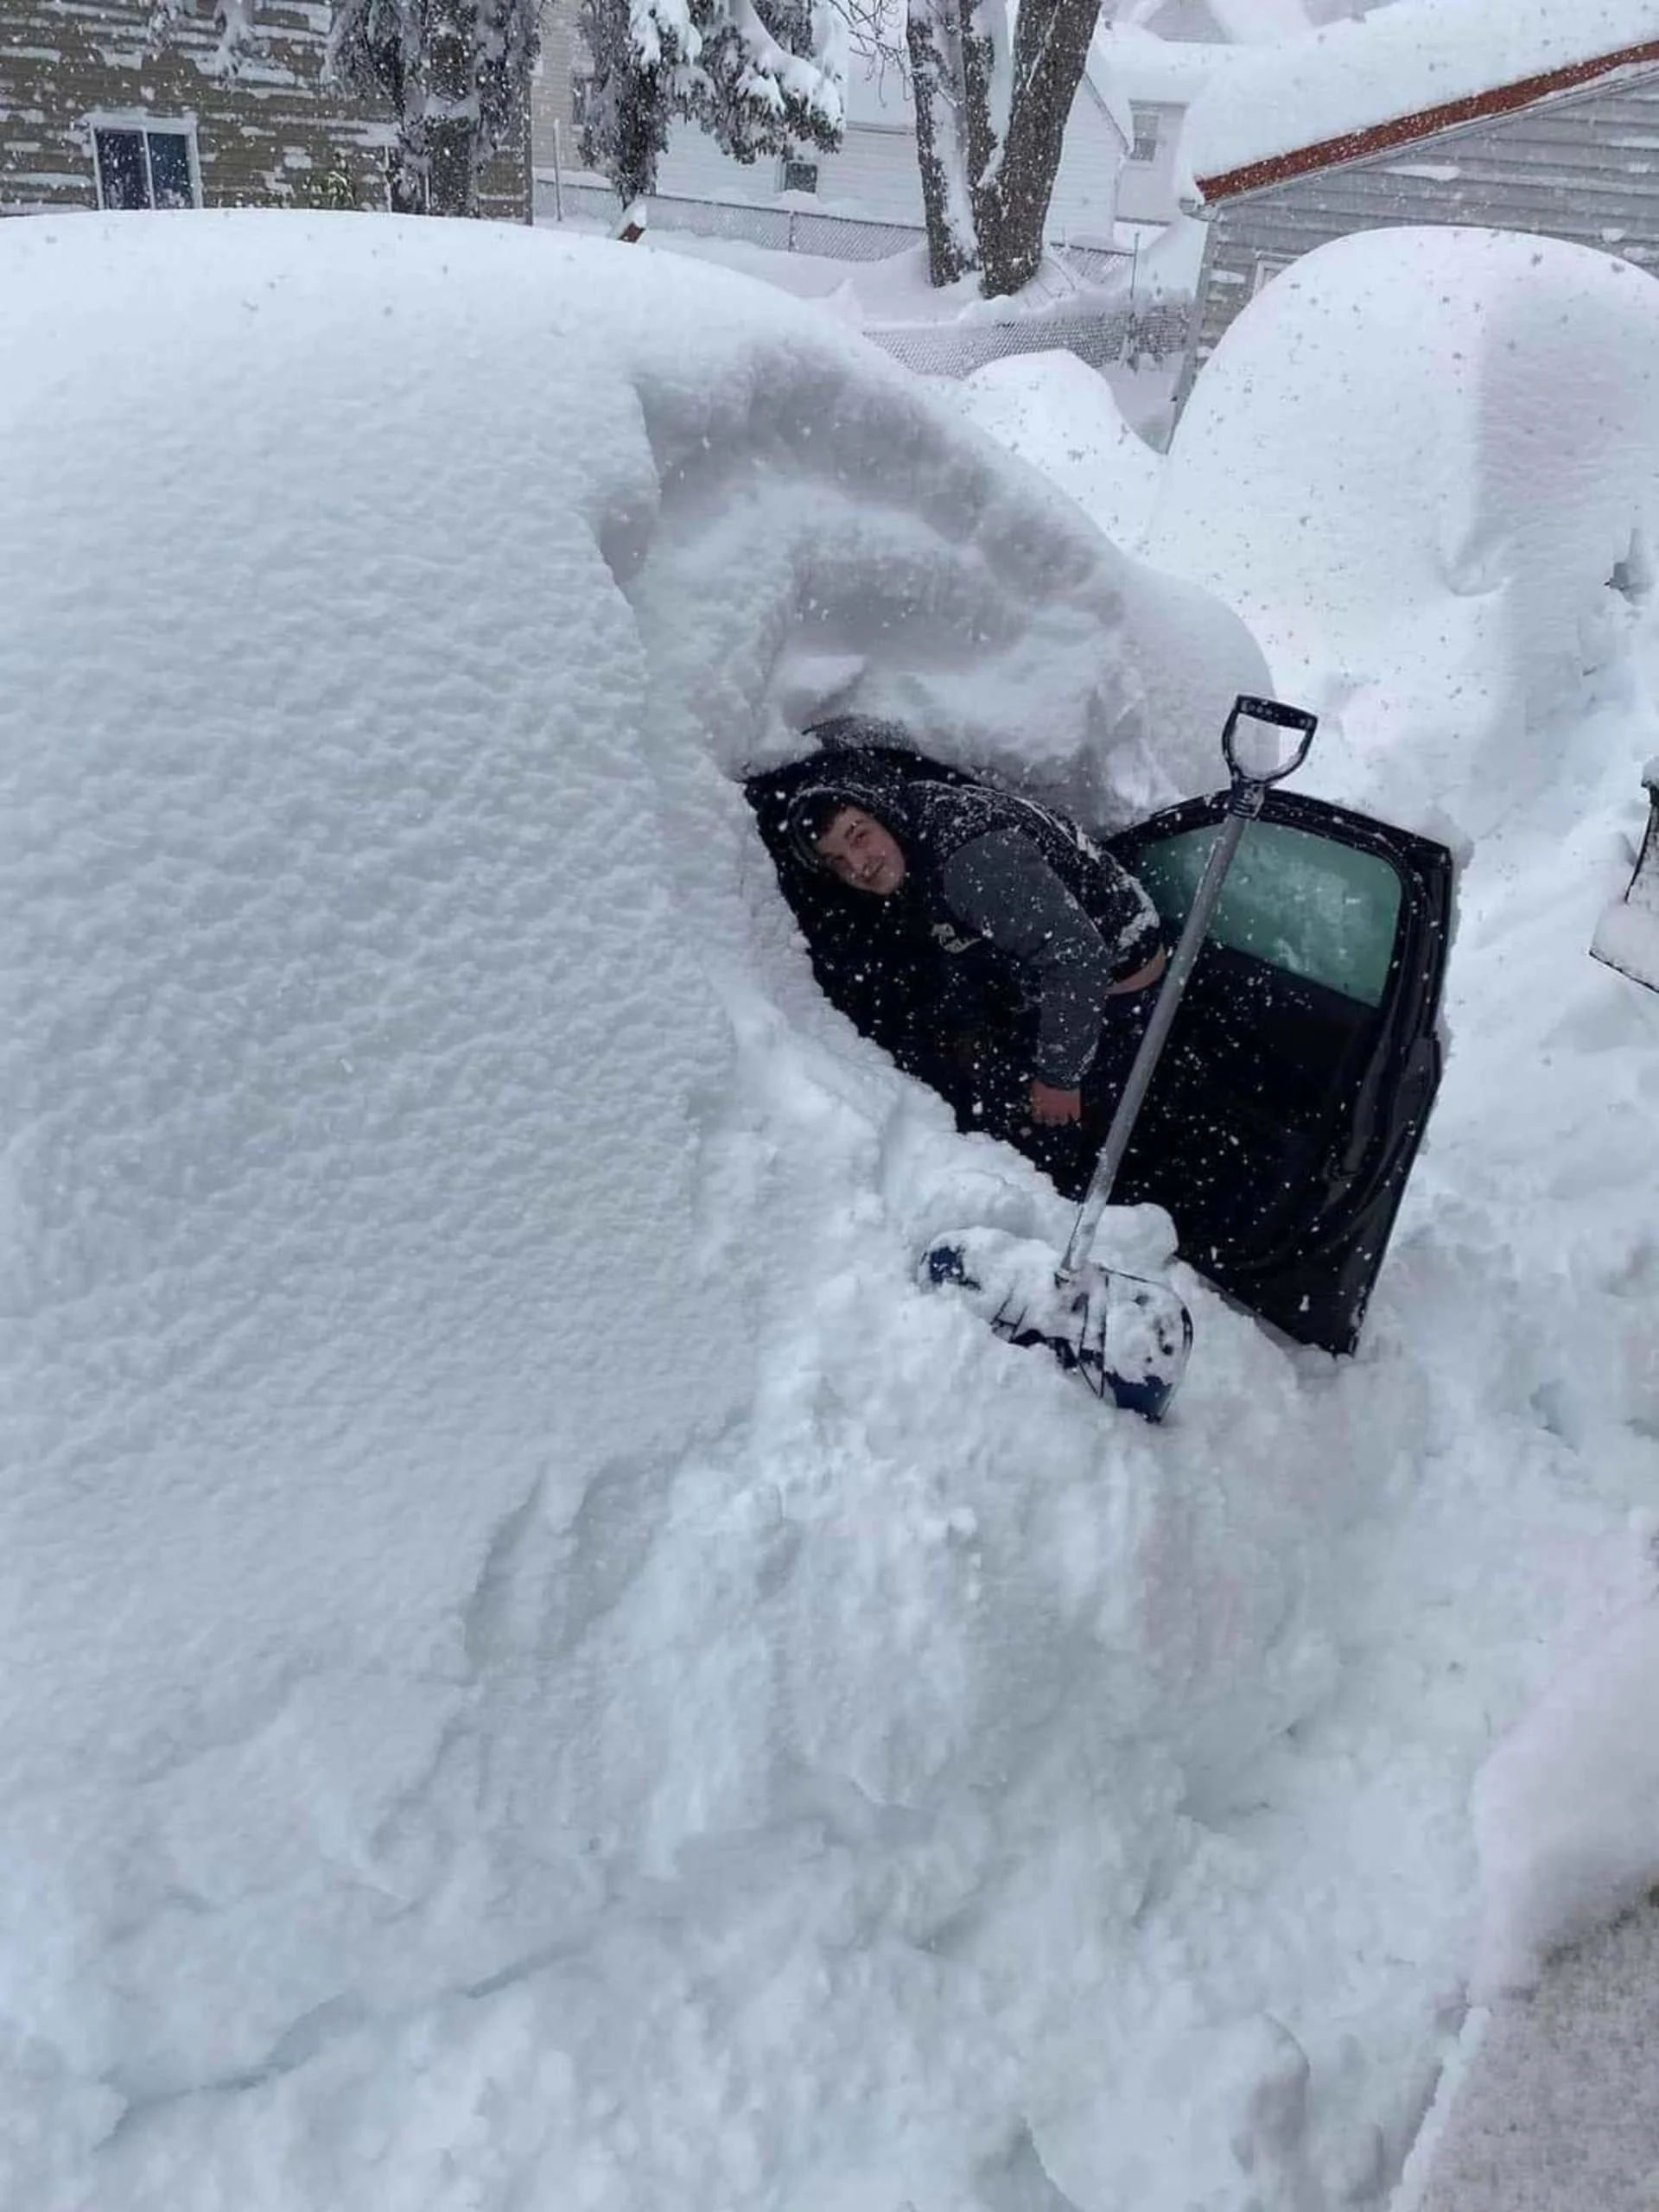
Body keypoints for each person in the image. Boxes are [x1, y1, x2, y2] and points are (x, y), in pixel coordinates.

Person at [783, 754, 1167, 1199]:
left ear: (881, 814)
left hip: (1119, 986)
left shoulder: (970, 861)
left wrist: (1059, 1079)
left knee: (1037, 1125)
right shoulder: (916, 823)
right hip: (1055, 964)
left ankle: (1070, 1198)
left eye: (859, 836)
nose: (859, 865)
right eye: (838, 861)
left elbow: (1078, 960)